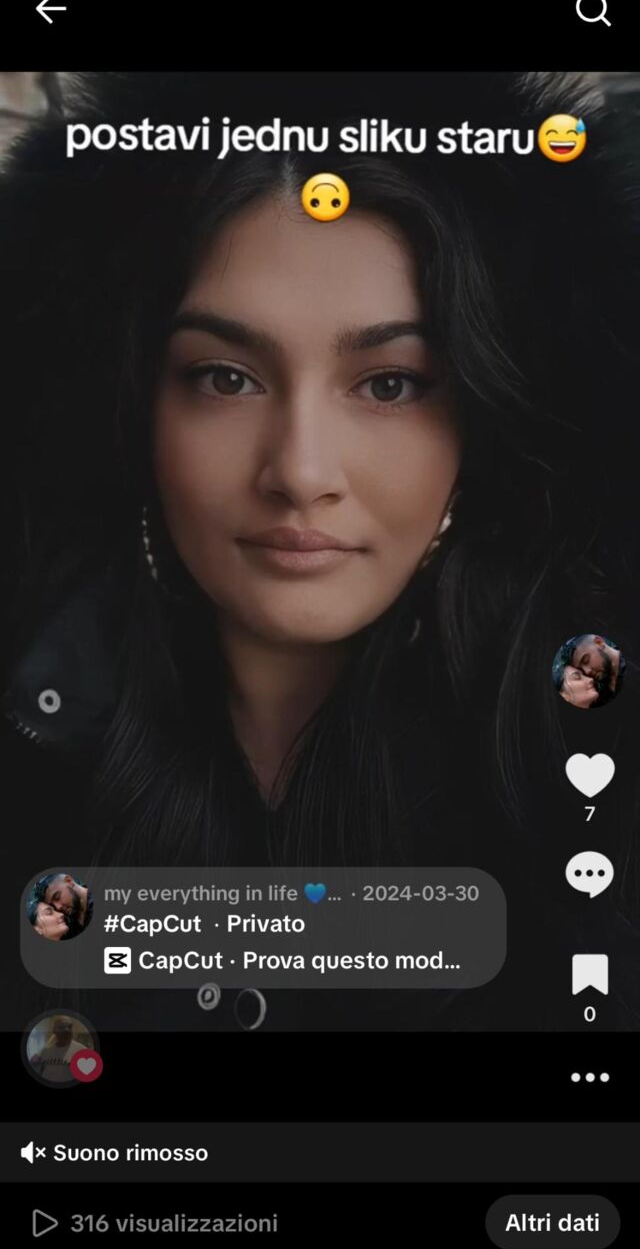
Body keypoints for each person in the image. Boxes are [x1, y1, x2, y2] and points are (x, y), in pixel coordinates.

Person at [1, 70, 638, 1033]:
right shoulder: (32, 740)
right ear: (136, 408)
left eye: (389, 385)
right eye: (225, 377)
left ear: (480, 420)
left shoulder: (590, 772)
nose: (300, 472)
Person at [28, 1016, 89, 1083]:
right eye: (62, 1027)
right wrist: (32, 1064)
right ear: (54, 1030)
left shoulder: (82, 1050)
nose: (67, 1030)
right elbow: (37, 1069)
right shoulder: (46, 1051)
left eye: (69, 1026)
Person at [32, 872, 93, 936]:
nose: (58, 907)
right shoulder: (68, 923)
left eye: (57, 897)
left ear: (69, 881)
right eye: (52, 905)